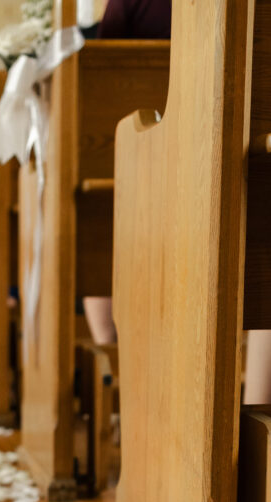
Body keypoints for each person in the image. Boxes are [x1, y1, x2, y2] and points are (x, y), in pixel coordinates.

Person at [82, 0, 172, 348]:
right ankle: (262, 400)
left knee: (100, 196)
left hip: (145, 172)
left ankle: (112, 350)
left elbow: (103, 80)